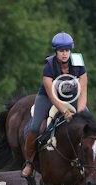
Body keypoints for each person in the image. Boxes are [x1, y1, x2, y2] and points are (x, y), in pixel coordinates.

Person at [22, 32, 88, 177]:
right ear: (56, 52)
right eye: (61, 51)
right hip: (47, 97)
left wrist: (80, 112)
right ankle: (30, 162)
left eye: (67, 50)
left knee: (89, 123)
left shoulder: (78, 63)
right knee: (35, 126)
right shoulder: (49, 66)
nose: (65, 54)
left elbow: (83, 90)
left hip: (72, 96)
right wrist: (65, 112)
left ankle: (95, 160)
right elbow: (52, 96)